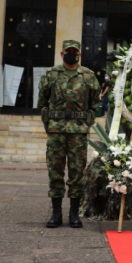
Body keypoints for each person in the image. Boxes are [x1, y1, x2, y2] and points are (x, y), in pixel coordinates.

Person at [38, 40, 100, 229]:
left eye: (74, 52)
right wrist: (49, 123)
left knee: (77, 172)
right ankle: (56, 214)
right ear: (62, 53)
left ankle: (74, 214)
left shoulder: (88, 75)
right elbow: (42, 101)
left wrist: (87, 121)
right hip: (56, 130)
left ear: (79, 54)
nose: (71, 54)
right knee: (55, 171)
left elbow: (95, 102)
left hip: (78, 132)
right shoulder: (52, 74)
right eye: (68, 52)